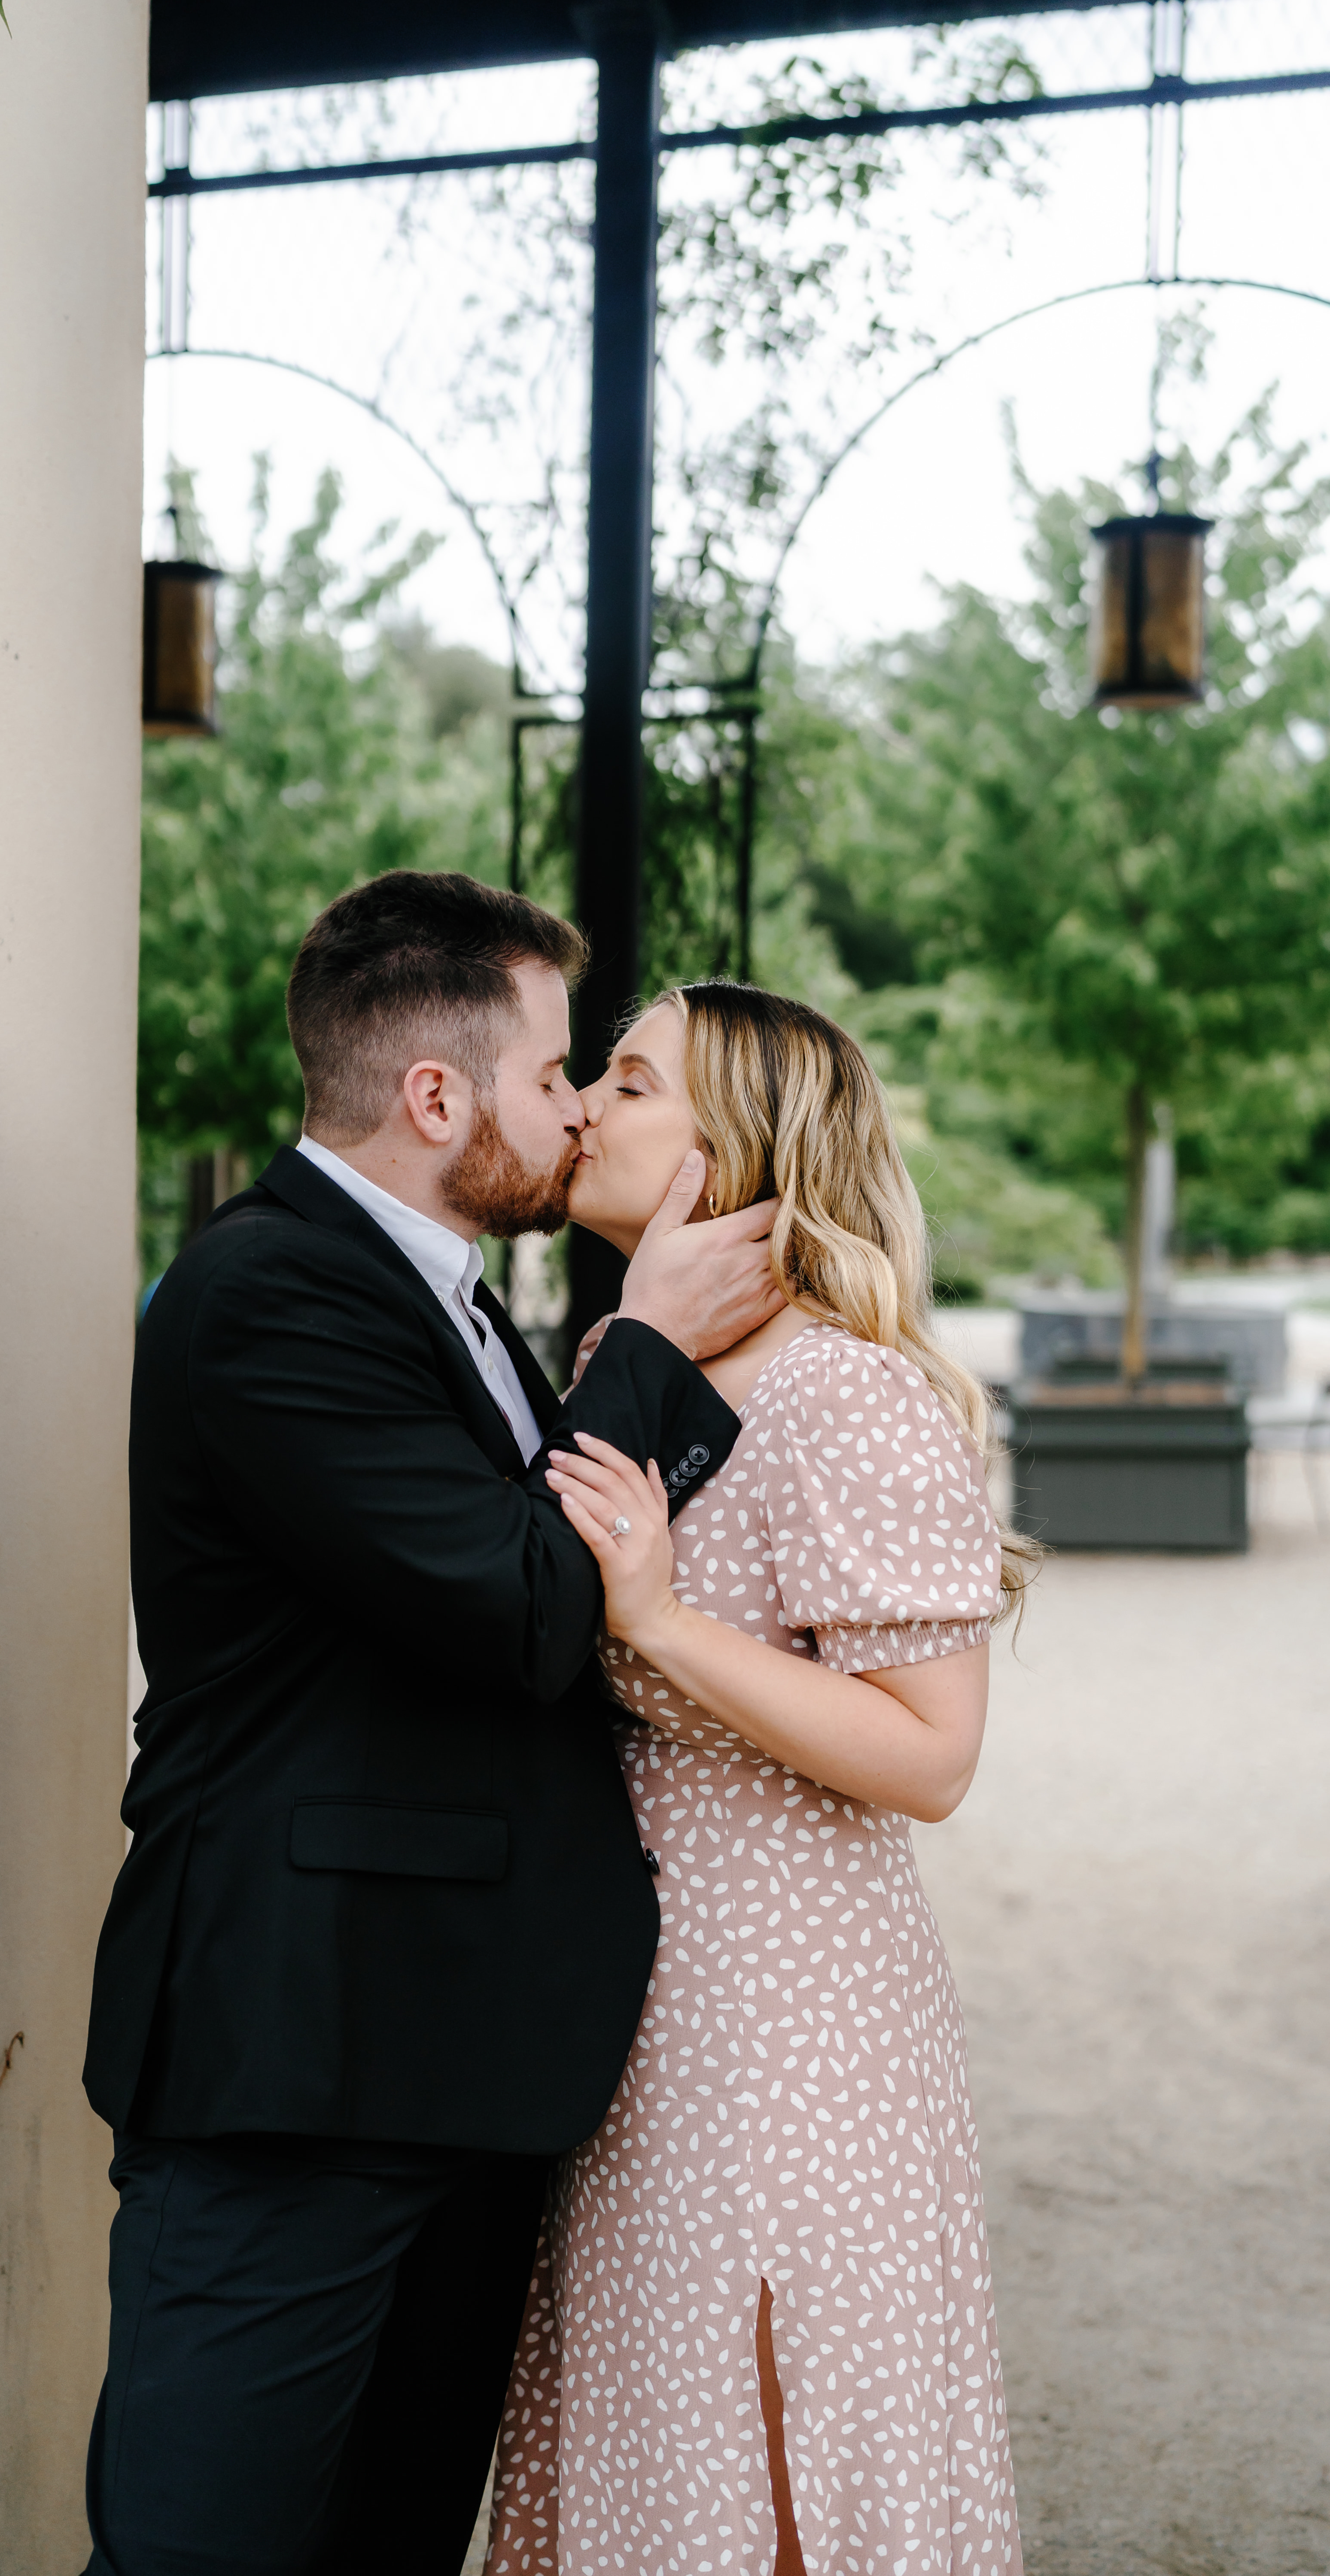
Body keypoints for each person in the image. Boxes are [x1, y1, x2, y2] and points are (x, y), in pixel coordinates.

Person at [79, 874, 787, 2576]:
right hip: (298, 2065)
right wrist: (652, 1343)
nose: (572, 1114)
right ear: (433, 1096)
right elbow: (526, 1609)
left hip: (459, 2060)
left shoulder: (454, 1297)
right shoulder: (266, 1296)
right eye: (557, 1074)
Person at [486, 981, 1032, 2576]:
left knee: (777, 2432)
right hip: (643, 1990)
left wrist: (654, 1617)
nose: (583, 1099)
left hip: (789, 2006)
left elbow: (933, 1754)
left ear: (734, 1154)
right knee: (665, 2427)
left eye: (631, 1080)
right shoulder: (623, 1356)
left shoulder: (846, 1388)